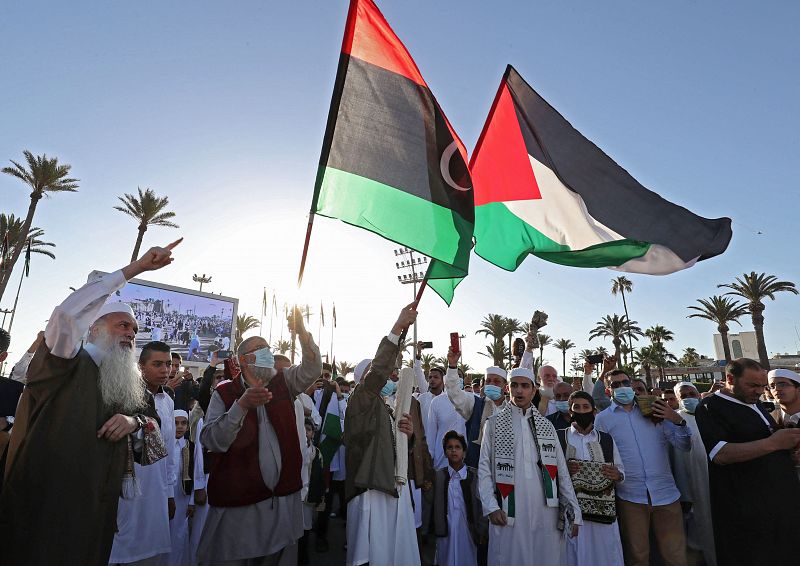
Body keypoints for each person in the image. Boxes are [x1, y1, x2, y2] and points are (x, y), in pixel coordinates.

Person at [0, 241, 180, 566]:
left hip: (98, 512)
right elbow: (66, 316)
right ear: (94, 329)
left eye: (135, 330)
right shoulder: (65, 360)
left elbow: (151, 424)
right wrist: (135, 269)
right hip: (47, 508)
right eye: (122, 325)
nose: (130, 334)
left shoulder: (128, 383)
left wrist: (133, 422)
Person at [198, 307, 321, 565]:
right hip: (242, 504)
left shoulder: (284, 382)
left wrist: (302, 333)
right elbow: (211, 440)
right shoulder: (224, 393)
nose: (268, 353)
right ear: (244, 360)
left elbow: (311, 369)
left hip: (283, 499)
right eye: (260, 349)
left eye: (268, 348)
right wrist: (241, 406)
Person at [695, 358, 800, 566]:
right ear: (730, 378)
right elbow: (720, 454)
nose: (759, 391)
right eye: (752, 385)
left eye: (762, 386)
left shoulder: (754, 402)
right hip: (747, 513)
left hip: (780, 507)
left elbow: (760, 440)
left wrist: (787, 448)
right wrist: (773, 443)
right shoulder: (710, 407)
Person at [478, 366, 582, 565]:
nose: (519, 391)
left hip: (546, 509)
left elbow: (561, 471)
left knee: (546, 557)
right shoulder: (493, 424)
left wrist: (574, 511)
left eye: (525, 386)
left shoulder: (546, 425)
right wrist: (491, 506)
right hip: (508, 508)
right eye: (515, 386)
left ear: (533, 390)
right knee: (509, 557)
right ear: (508, 389)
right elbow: (484, 469)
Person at [344, 303, 420, 566]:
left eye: (392, 373)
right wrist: (398, 329)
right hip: (369, 492)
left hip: (392, 488)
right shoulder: (360, 399)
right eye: (383, 373)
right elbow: (377, 370)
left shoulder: (386, 408)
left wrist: (406, 438)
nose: (390, 376)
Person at [594, 368, 691, 566]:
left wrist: (677, 420)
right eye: (615, 385)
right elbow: (600, 456)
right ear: (608, 390)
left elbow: (683, 446)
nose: (622, 387)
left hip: (666, 495)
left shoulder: (655, 411)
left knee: (676, 556)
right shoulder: (603, 419)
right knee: (637, 556)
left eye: (625, 382)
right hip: (630, 496)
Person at [109, 341, 176, 566]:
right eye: (157, 364)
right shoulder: (122, 395)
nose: (165, 370)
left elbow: (169, 453)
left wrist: (169, 493)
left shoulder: (168, 402)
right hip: (127, 489)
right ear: (140, 366)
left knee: (150, 553)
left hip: (156, 492)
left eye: (167, 364)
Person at [559, 391, 625, 566]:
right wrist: (565, 468)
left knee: (605, 553)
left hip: (602, 514)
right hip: (570, 512)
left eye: (586, 407)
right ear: (570, 411)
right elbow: (547, 471)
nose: (582, 411)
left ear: (594, 411)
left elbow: (620, 472)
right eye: (577, 407)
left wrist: (616, 475)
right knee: (572, 554)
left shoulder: (606, 439)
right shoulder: (559, 437)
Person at [671, 382, 716, 566]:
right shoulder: (675, 420)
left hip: (715, 484)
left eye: (692, 393)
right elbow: (678, 462)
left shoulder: (711, 416)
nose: (689, 397)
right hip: (692, 489)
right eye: (684, 395)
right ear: (678, 399)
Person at [443, 354, 508, 469]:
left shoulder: (511, 408)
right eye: (488, 381)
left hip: (505, 467)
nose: (492, 384)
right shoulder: (475, 404)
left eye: (497, 381)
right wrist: (452, 366)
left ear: (505, 387)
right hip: (477, 467)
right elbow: (454, 393)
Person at [431, 431, 486, 566]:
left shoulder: (474, 477)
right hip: (445, 532)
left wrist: (482, 530)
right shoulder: (437, 477)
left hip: (468, 532)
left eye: (457, 447)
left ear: (464, 452)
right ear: (444, 452)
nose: (454, 450)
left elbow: (482, 505)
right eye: (450, 447)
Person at [169, 409, 204, 566]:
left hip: (183, 496)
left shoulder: (191, 446)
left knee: (180, 533)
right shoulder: (165, 445)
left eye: (183, 423)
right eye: (176, 423)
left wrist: (191, 502)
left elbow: (196, 472)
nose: (180, 427)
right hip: (167, 496)